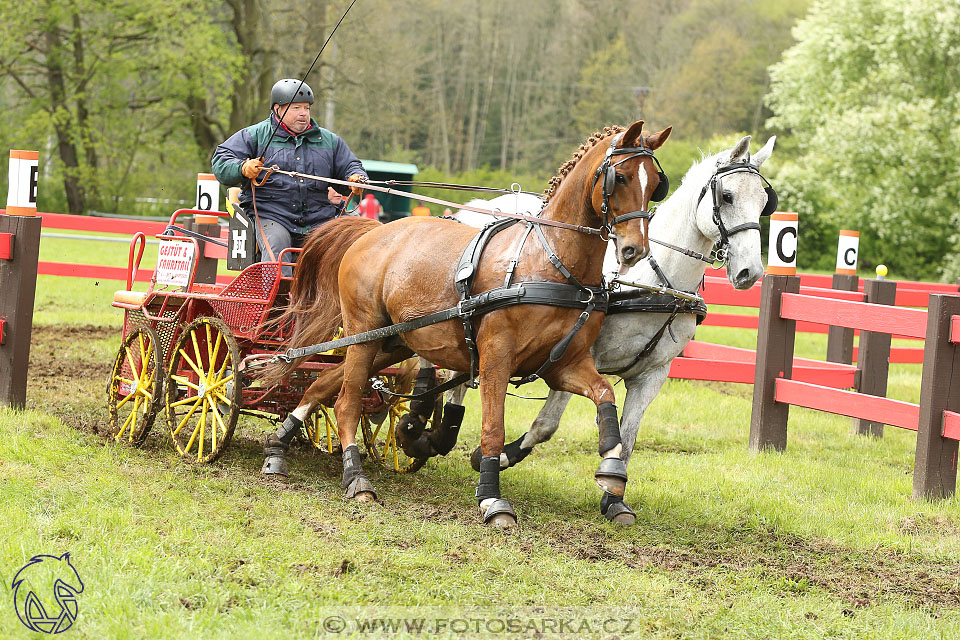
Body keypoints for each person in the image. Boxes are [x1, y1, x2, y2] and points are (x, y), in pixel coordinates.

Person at [211, 78, 367, 274]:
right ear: (278, 109)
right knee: (277, 246)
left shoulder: (330, 141)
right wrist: (242, 168)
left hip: (319, 219)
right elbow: (221, 161)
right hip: (272, 215)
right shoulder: (255, 135)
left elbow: (351, 166)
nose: (303, 113)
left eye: (306, 108)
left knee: (340, 254)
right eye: (295, 108)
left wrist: (355, 178)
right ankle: (277, 303)